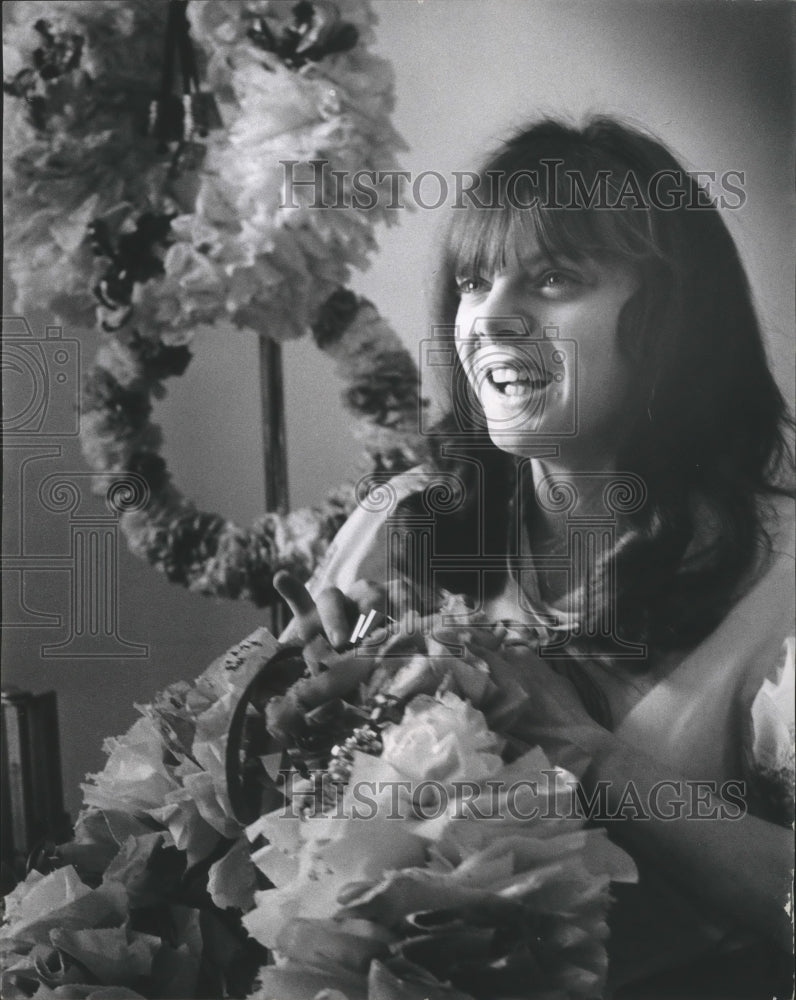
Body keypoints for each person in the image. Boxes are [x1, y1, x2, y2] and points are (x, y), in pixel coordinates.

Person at [274, 117, 794, 998]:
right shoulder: (400, 522)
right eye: (476, 282)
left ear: (676, 319)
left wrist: (581, 749)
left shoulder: (781, 584)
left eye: (554, 279)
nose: (493, 317)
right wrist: (296, 719)